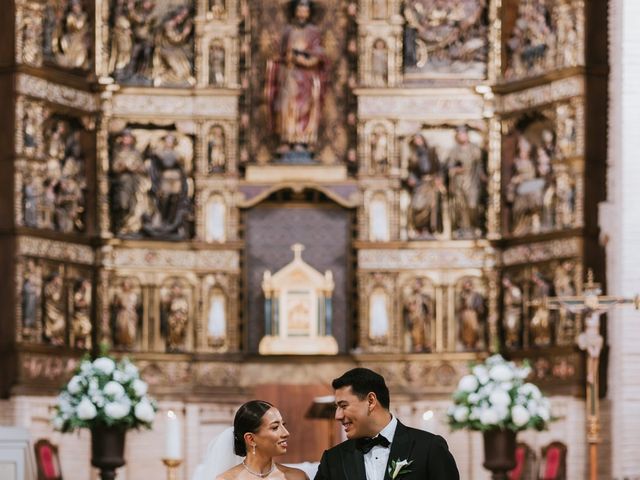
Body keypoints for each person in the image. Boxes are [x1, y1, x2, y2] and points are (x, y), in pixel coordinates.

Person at [315, 368, 459, 480]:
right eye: (336, 407)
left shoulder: (429, 448)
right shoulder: (333, 460)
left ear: (371, 401)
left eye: (344, 405)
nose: (337, 416)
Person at [193, 400, 308, 480]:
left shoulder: (297, 477)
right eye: (275, 427)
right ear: (251, 439)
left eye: (283, 424)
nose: (286, 433)